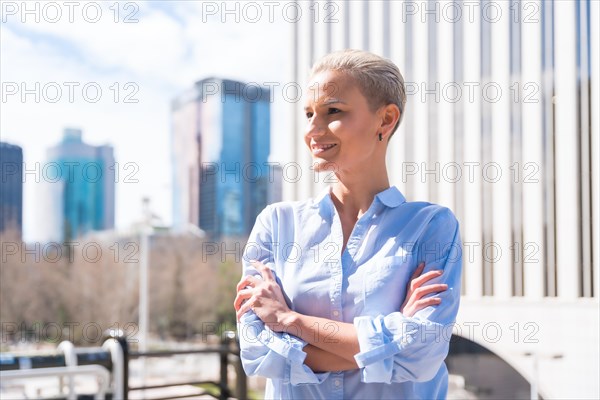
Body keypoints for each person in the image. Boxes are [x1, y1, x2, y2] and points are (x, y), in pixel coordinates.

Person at [233, 49, 462, 399]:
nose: (312, 129)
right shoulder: (277, 224)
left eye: (333, 111)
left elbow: (421, 356)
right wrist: (385, 343)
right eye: (309, 113)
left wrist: (289, 322)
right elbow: (259, 354)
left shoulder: (431, 227)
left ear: (385, 120)